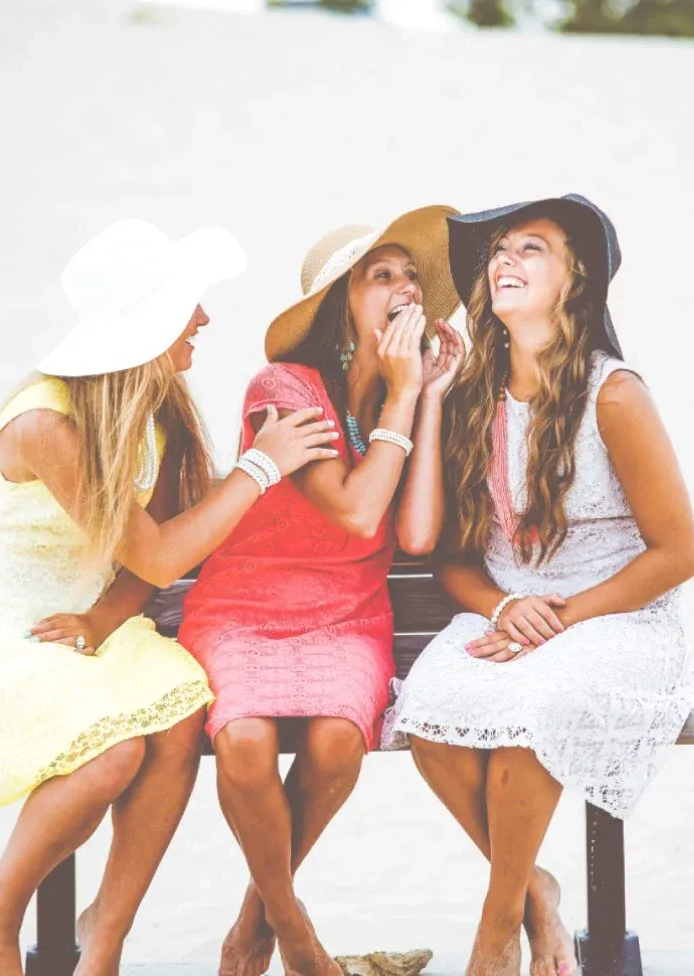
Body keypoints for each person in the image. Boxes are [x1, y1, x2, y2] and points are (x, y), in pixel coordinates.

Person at [0, 218, 339, 976]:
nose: (204, 319)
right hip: (15, 635)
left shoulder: (157, 405)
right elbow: (156, 553)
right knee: (114, 753)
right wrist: (260, 467)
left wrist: (102, 618)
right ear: (147, 324)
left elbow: (163, 545)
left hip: (94, 624)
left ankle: (105, 942)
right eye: (188, 306)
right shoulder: (46, 423)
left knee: (178, 722)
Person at [382, 195, 694, 976]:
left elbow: (676, 554)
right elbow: (453, 560)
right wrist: (505, 606)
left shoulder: (613, 395)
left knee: (537, 710)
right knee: (429, 713)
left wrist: (561, 617)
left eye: (531, 249)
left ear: (574, 281)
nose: (505, 261)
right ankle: (535, 898)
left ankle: (496, 933)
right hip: (510, 612)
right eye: (499, 251)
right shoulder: (471, 397)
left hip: (619, 615)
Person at [179, 206, 464, 976]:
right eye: (381, 276)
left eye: (411, 277)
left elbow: (414, 536)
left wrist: (430, 397)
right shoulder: (283, 387)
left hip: (347, 615)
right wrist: (404, 397)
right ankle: (295, 934)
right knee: (244, 739)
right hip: (245, 610)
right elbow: (353, 508)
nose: (405, 289)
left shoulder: (405, 397)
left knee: (340, 738)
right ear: (343, 304)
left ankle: (255, 920)